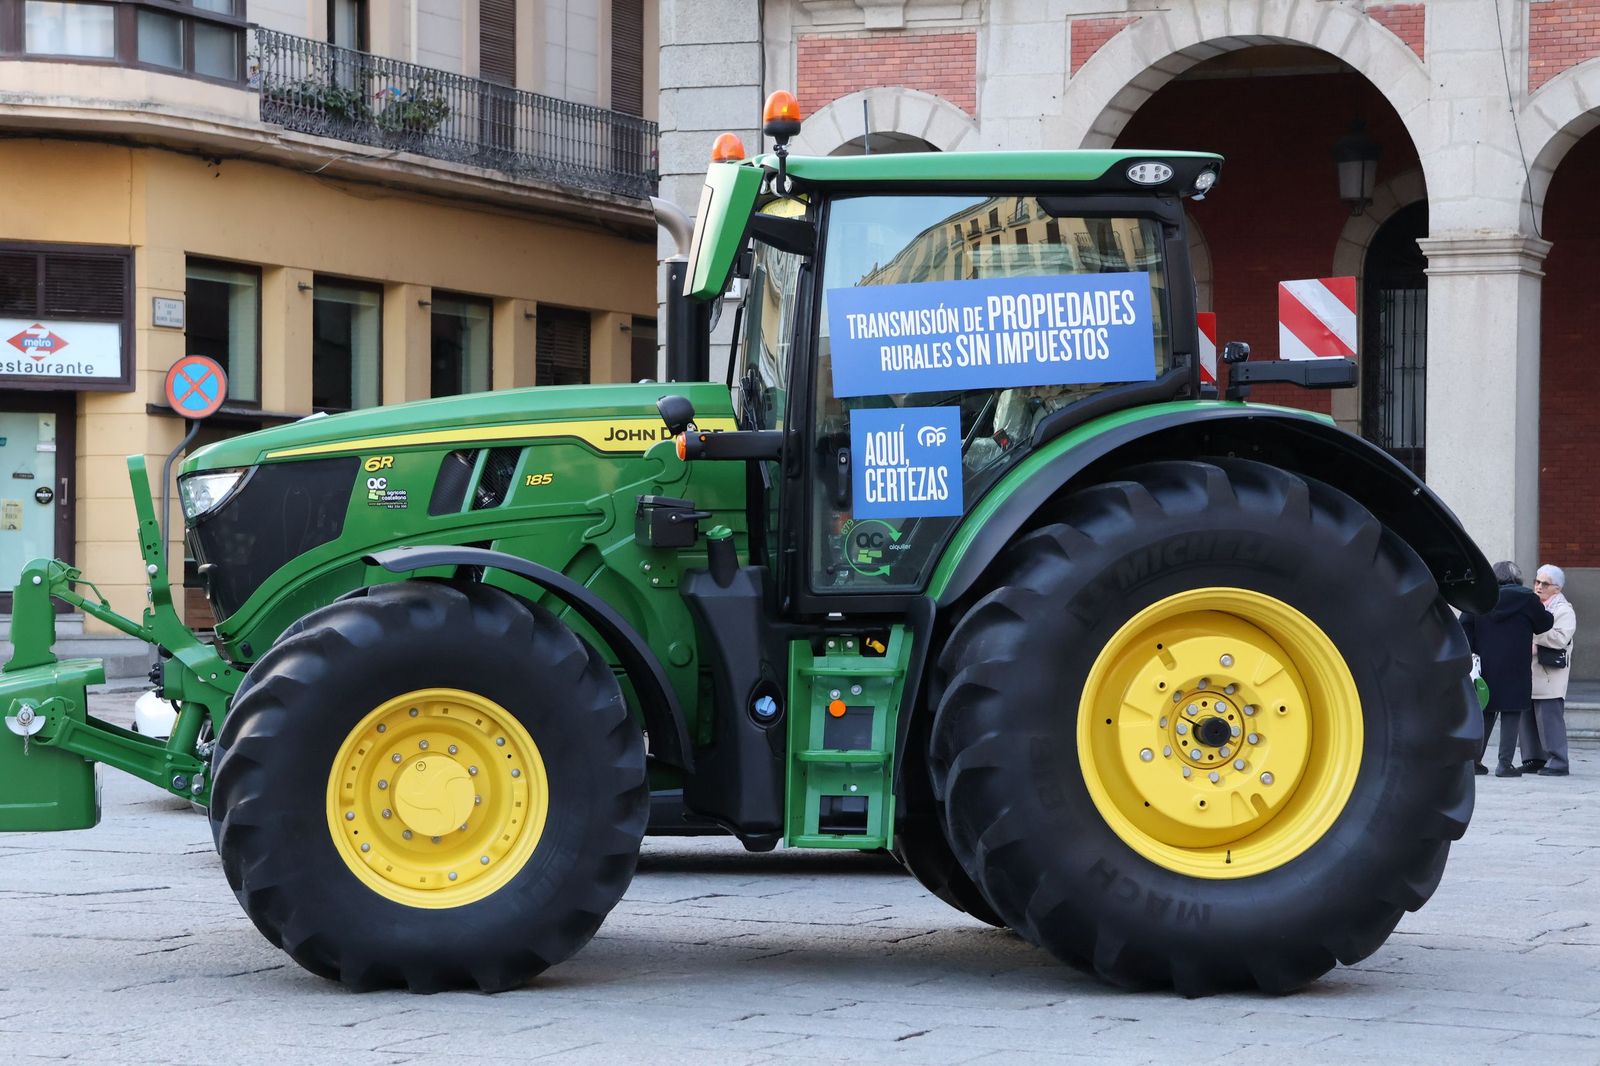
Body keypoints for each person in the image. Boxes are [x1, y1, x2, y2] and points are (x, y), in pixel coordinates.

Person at [1459, 561, 1554, 777]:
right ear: (1517, 578)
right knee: (1511, 712)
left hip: (1486, 666)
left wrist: (1473, 651)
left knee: (1486, 711)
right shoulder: (1528, 598)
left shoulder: (1481, 597)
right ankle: (1505, 765)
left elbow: (1464, 626)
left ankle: (1474, 761)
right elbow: (1544, 624)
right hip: (1516, 666)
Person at [1519, 564, 1576, 776]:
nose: (1538, 586)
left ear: (1557, 589)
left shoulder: (1564, 610)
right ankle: (1533, 759)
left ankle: (1559, 761)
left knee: (1549, 718)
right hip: (1530, 671)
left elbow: (1561, 637)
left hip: (1549, 673)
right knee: (1527, 717)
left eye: (1545, 583)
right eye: (1537, 581)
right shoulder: (1533, 605)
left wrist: (1532, 636)